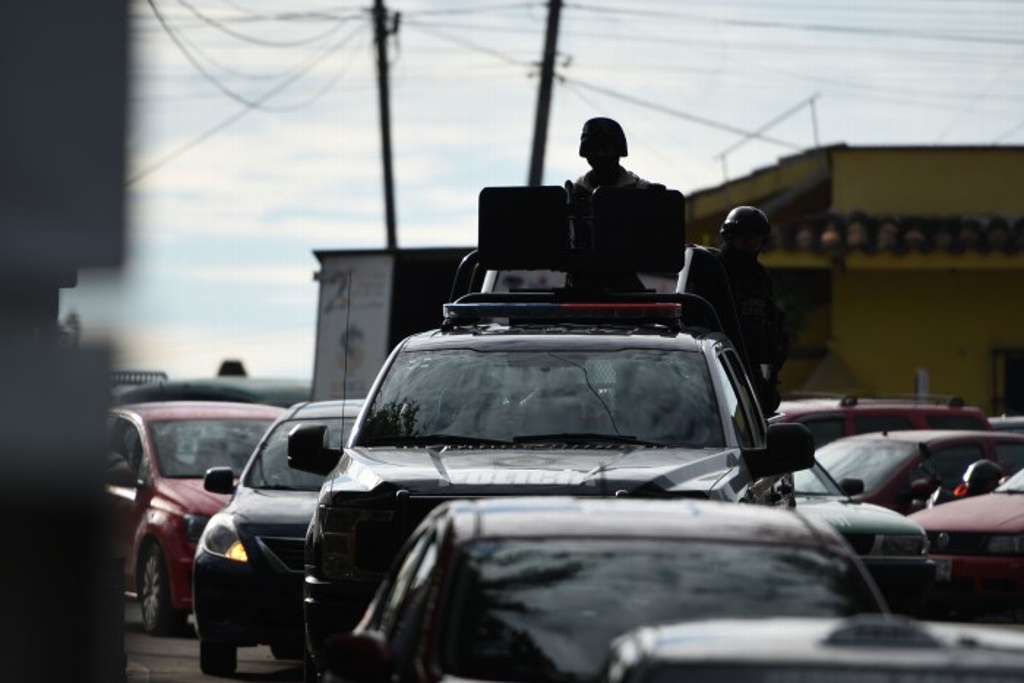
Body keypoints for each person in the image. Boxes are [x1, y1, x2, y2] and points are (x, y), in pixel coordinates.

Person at [717, 206, 789, 413]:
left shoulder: (760, 276)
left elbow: (770, 322)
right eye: (744, 234)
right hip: (719, 363)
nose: (750, 241)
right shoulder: (714, 269)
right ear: (730, 236)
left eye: (756, 235)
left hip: (755, 369)